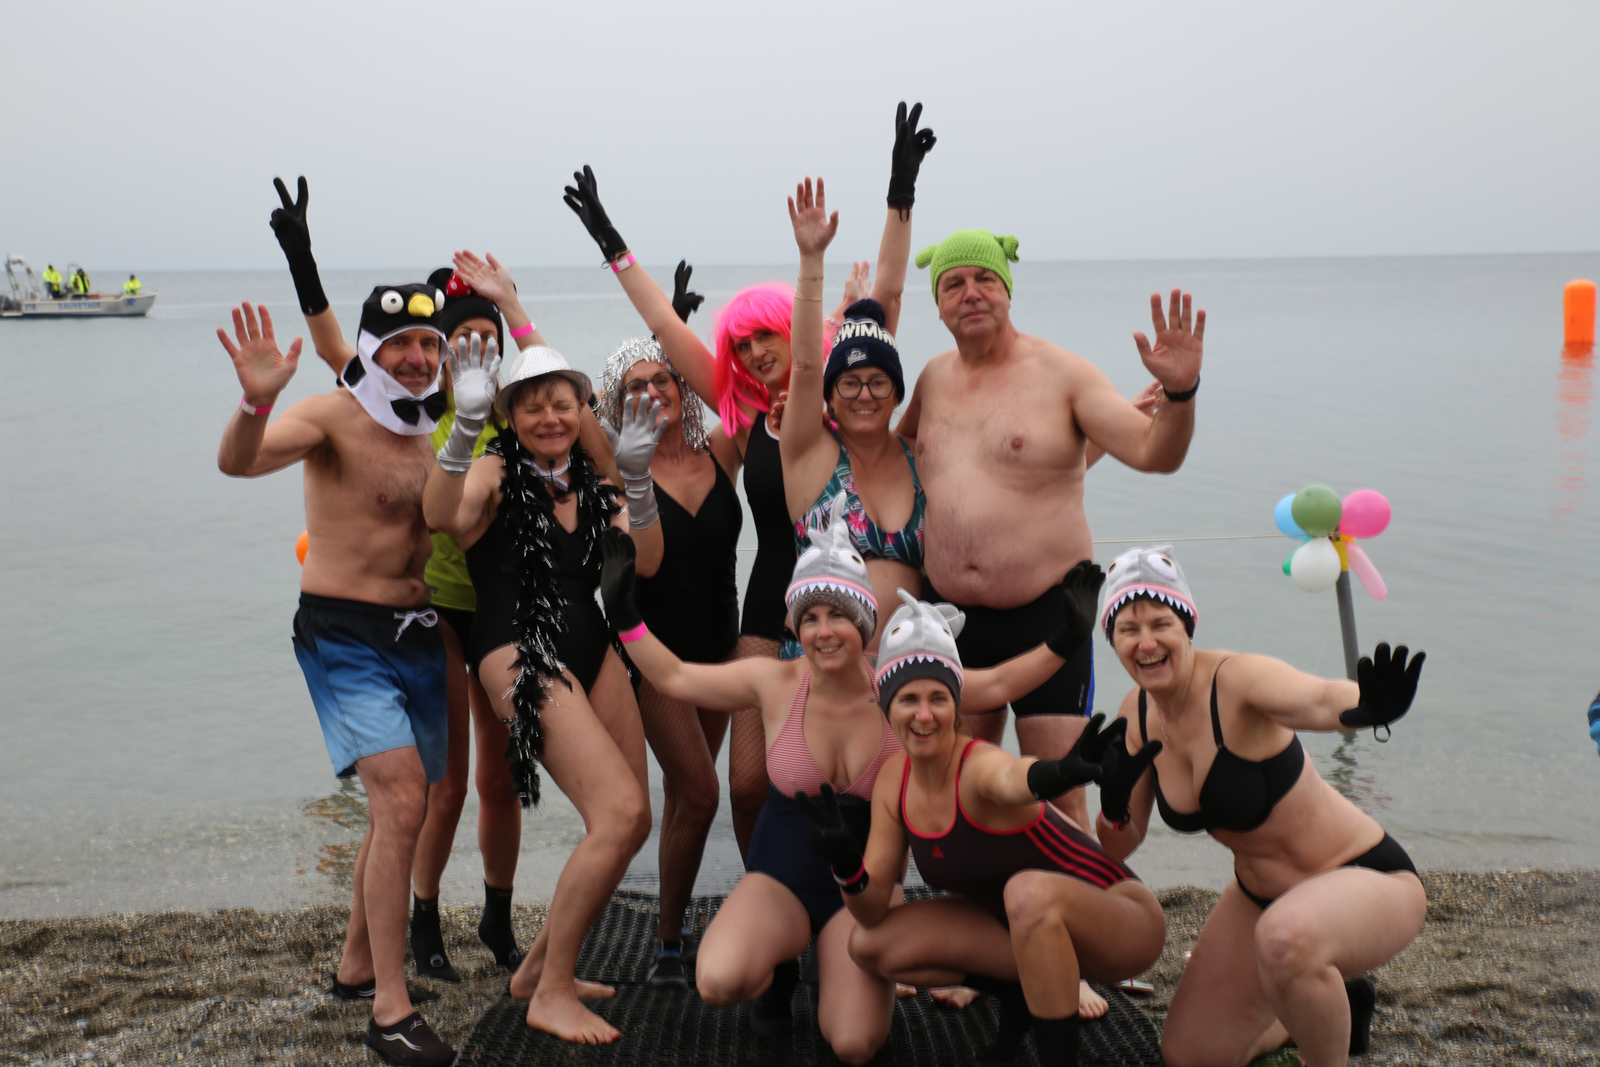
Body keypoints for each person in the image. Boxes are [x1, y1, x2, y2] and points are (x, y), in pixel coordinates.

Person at [563, 101, 936, 857]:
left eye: (768, 335)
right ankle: (771, 881)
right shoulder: (739, 415)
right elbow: (667, 332)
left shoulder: (833, 396)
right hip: (768, 607)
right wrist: (613, 246)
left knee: (864, 771)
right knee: (750, 783)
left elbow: (887, 301)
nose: (758, 352)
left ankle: (852, 885)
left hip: (860, 610)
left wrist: (900, 195)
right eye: (742, 343)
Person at [598, 494, 1092, 1062]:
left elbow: (998, 684)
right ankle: (780, 969)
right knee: (718, 980)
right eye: (809, 618)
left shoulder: (899, 685)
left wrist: (1065, 640)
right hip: (779, 877)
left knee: (855, 1044)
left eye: (838, 615)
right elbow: (676, 677)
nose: (823, 632)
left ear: (864, 621)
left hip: (864, 894)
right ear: (795, 624)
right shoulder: (775, 682)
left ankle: (842, 971)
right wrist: (624, 614)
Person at [267, 178, 597, 983]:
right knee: (437, 785)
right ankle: (421, 919)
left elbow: (565, 405)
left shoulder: (502, 408)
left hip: (497, 608)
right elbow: (338, 348)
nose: (474, 352)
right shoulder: (412, 404)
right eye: (462, 339)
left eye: (488, 341)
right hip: (432, 610)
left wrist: (513, 305)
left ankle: (495, 913)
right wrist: (303, 260)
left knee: (499, 778)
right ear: (435, 348)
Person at [895, 228, 1206, 834]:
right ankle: (984, 892)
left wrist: (1181, 392)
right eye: (953, 284)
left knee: (1062, 795)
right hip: (950, 618)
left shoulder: (1064, 374)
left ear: (1008, 290)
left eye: (985, 279)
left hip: (1048, 616)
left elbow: (1155, 453)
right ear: (938, 304)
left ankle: (1082, 893)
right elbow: (892, 463)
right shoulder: (932, 379)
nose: (971, 293)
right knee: (956, 791)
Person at [216, 288, 457, 1067]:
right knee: (401, 799)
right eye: (399, 344)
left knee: (401, 811)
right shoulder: (332, 415)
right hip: (343, 631)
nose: (416, 357)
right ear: (370, 349)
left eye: (428, 343)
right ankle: (391, 1009)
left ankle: (356, 964)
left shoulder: (433, 426)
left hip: (418, 632)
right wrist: (256, 402)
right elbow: (238, 462)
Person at [1093, 546, 1427, 1067]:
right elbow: (1119, 844)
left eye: (1161, 624)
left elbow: (1319, 699)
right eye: (1128, 629)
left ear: (1188, 626)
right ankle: (1325, 1006)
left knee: (1285, 937)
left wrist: (1369, 706)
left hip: (1363, 876)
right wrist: (1113, 804)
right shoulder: (1134, 716)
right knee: (1188, 1055)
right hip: (1260, 898)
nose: (1147, 642)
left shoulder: (1237, 680)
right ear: (1112, 640)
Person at [422, 332, 666, 1044]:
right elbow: (441, 516)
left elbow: (647, 561)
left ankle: (535, 971)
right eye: (533, 407)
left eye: (563, 404)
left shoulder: (593, 483)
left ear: (582, 409)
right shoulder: (493, 471)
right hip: (518, 649)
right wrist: (465, 429)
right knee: (618, 813)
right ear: (509, 415)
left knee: (634, 819)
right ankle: (553, 993)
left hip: (593, 648)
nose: (551, 418)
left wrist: (638, 480)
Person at [808, 584, 1166, 1067]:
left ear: (956, 705)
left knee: (1026, 892)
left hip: (1123, 920)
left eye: (939, 698)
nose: (924, 714)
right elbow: (871, 912)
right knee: (869, 945)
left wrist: (1061, 772)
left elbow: (1014, 778)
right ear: (886, 706)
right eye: (908, 698)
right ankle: (1019, 996)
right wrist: (847, 867)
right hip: (1019, 929)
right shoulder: (894, 779)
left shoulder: (976, 765)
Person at [596, 295, 743, 987]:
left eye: (663, 379)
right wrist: (513, 307)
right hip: (655, 657)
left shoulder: (721, 449)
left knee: (689, 796)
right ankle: (664, 944)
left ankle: (672, 926)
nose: (652, 392)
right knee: (703, 794)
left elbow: (762, 401)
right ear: (617, 403)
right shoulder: (617, 472)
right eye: (635, 386)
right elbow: (558, 405)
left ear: (682, 387)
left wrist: (672, 325)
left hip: (723, 645)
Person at [782, 176, 921, 654]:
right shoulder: (809, 453)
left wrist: (902, 197)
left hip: (908, 676)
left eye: (878, 382)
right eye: (849, 382)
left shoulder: (918, 455)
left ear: (896, 393)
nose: (865, 395)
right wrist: (811, 261)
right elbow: (804, 365)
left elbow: (892, 293)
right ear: (830, 395)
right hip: (820, 673)